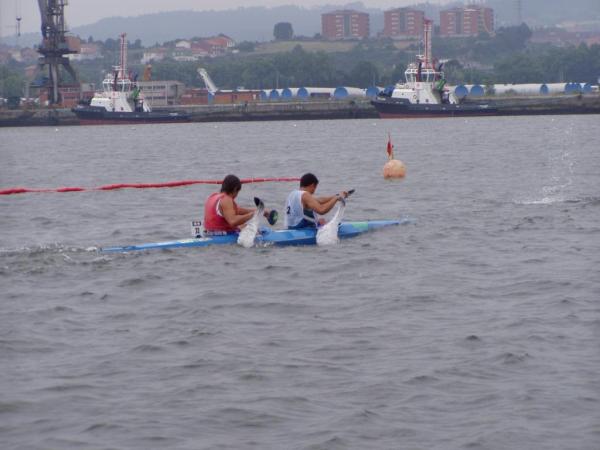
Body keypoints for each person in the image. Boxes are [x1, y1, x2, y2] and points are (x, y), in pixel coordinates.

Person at [203, 174, 273, 234]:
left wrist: (260, 211)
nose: (236, 195)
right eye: (237, 192)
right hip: (223, 236)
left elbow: (236, 210)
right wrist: (253, 214)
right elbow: (233, 221)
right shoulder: (226, 199)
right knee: (255, 230)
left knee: (243, 225)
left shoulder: (213, 196)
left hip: (209, 233)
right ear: (235, 189)